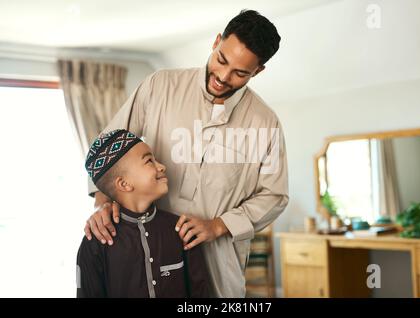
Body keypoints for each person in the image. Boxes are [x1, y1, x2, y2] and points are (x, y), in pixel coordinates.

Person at [84, 9, 289, 297]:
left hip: (218, 259)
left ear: (258, 71)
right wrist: (102, 204)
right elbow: (108, 146)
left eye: (240, 73)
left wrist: (219, 226)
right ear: (217, 41)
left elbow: (275, 195)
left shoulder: (265, 122)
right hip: (146, 248)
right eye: (221, 59)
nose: (223, 76)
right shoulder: (160, 86)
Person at [77, 129, 210, 297]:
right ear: (124, 184)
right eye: (149, 161)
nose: (162, 166)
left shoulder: (182, 230)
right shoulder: (95, 244)